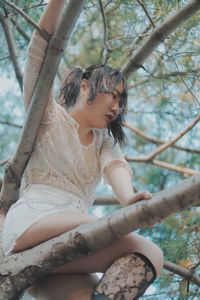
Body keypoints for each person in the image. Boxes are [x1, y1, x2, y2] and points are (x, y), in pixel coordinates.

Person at [2, 1, 164, 299]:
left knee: (151, 254)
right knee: (124, 236)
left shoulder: (105, 141)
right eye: (112, 95)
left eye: (121, 102)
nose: (116, 107)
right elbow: (40, 47)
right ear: (86, 86)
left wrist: (128, 199)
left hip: (62, 251)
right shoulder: (47, 115)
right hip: (32, 224)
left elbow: (117, 167)